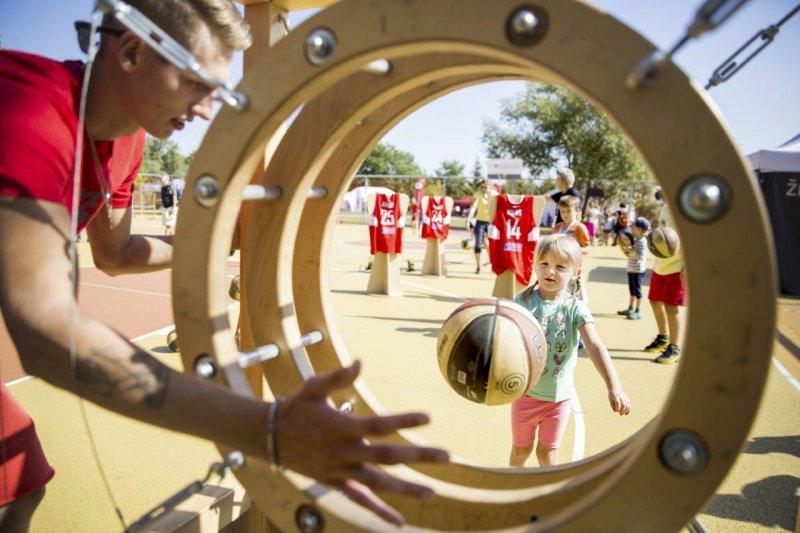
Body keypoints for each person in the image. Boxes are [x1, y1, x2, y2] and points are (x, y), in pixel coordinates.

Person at [0, 2, 447, 529]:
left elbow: (115, 255)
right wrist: (268, 429)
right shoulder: (27, 104)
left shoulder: (128, 138)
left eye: (219, 91)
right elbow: (48, 334)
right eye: (196, 83)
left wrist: (224, 241)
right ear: (131, 50)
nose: (209, 109)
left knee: (20, 489)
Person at [509, 235, 631, 467]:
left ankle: (547, 496)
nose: (551, 271)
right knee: (520, 451)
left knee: (546, 454)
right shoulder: (522, 302)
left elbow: (595, 346)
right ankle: (513, 491)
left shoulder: (575, 308)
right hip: (524, 396)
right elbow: (505, 341)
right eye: (544, 264)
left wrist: (614, 387)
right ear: (535, 265)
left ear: (575, 272)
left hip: (558, 399)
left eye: (560, 266)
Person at [645, 192, 686, 364]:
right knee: (654, 300)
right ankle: (663, 337)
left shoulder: (685, 211)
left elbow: (692, 239)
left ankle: (675, 347)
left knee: (671, 305)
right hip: (660, 265)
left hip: (677, 266)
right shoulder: (664, 209)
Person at [552, 195, 590, 302]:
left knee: (576, 300)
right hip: (557, 269)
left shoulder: (579, 228)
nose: (565, 214)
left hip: (573, 271)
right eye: (562, 211)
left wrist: (571, 251)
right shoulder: (557, 227)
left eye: (569, 211)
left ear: (577, 211)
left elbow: (586, 248)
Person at [617, 217, 650, 320]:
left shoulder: (642, 241)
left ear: (640, 229)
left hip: (638, 270)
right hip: (631, 269)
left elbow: (641, 256)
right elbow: (629, 255)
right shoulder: (635, 240)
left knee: (638, 291)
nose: (631, 228)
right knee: (632, 290)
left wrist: (630, 250)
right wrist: (623, 248)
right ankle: (631, 308)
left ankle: (638, 311)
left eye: (634, 227)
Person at [466, 179, 494, 274]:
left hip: (491, 223)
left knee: (492, 244)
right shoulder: (479, 194)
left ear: (490, 186)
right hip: (480, 222)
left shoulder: (495, 194)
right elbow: (474, 206)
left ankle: (492, 262)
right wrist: (468, 219)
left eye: (485, 187)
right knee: (478, 245)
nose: (483, 189)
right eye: (482, 187)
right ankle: (478, 267)